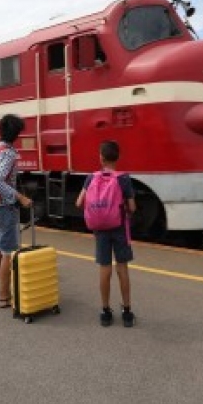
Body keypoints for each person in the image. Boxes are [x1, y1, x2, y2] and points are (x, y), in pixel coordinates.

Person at [75, 140, 137, 327]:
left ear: (101, 157)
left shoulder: (91, 178)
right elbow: (132, 207)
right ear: (117, 158)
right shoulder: (123, 179)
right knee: (122, 268)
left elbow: (79, 203)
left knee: (105, 269)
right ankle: (126, 312)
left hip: (100, 230)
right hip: (119, 228)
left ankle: (105, 311)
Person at [0, 114, 33, 308]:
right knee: (7, 252)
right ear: (17, 133)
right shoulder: (9, 153)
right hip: (4, 208)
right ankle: (4, 296)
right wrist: (20, 197)